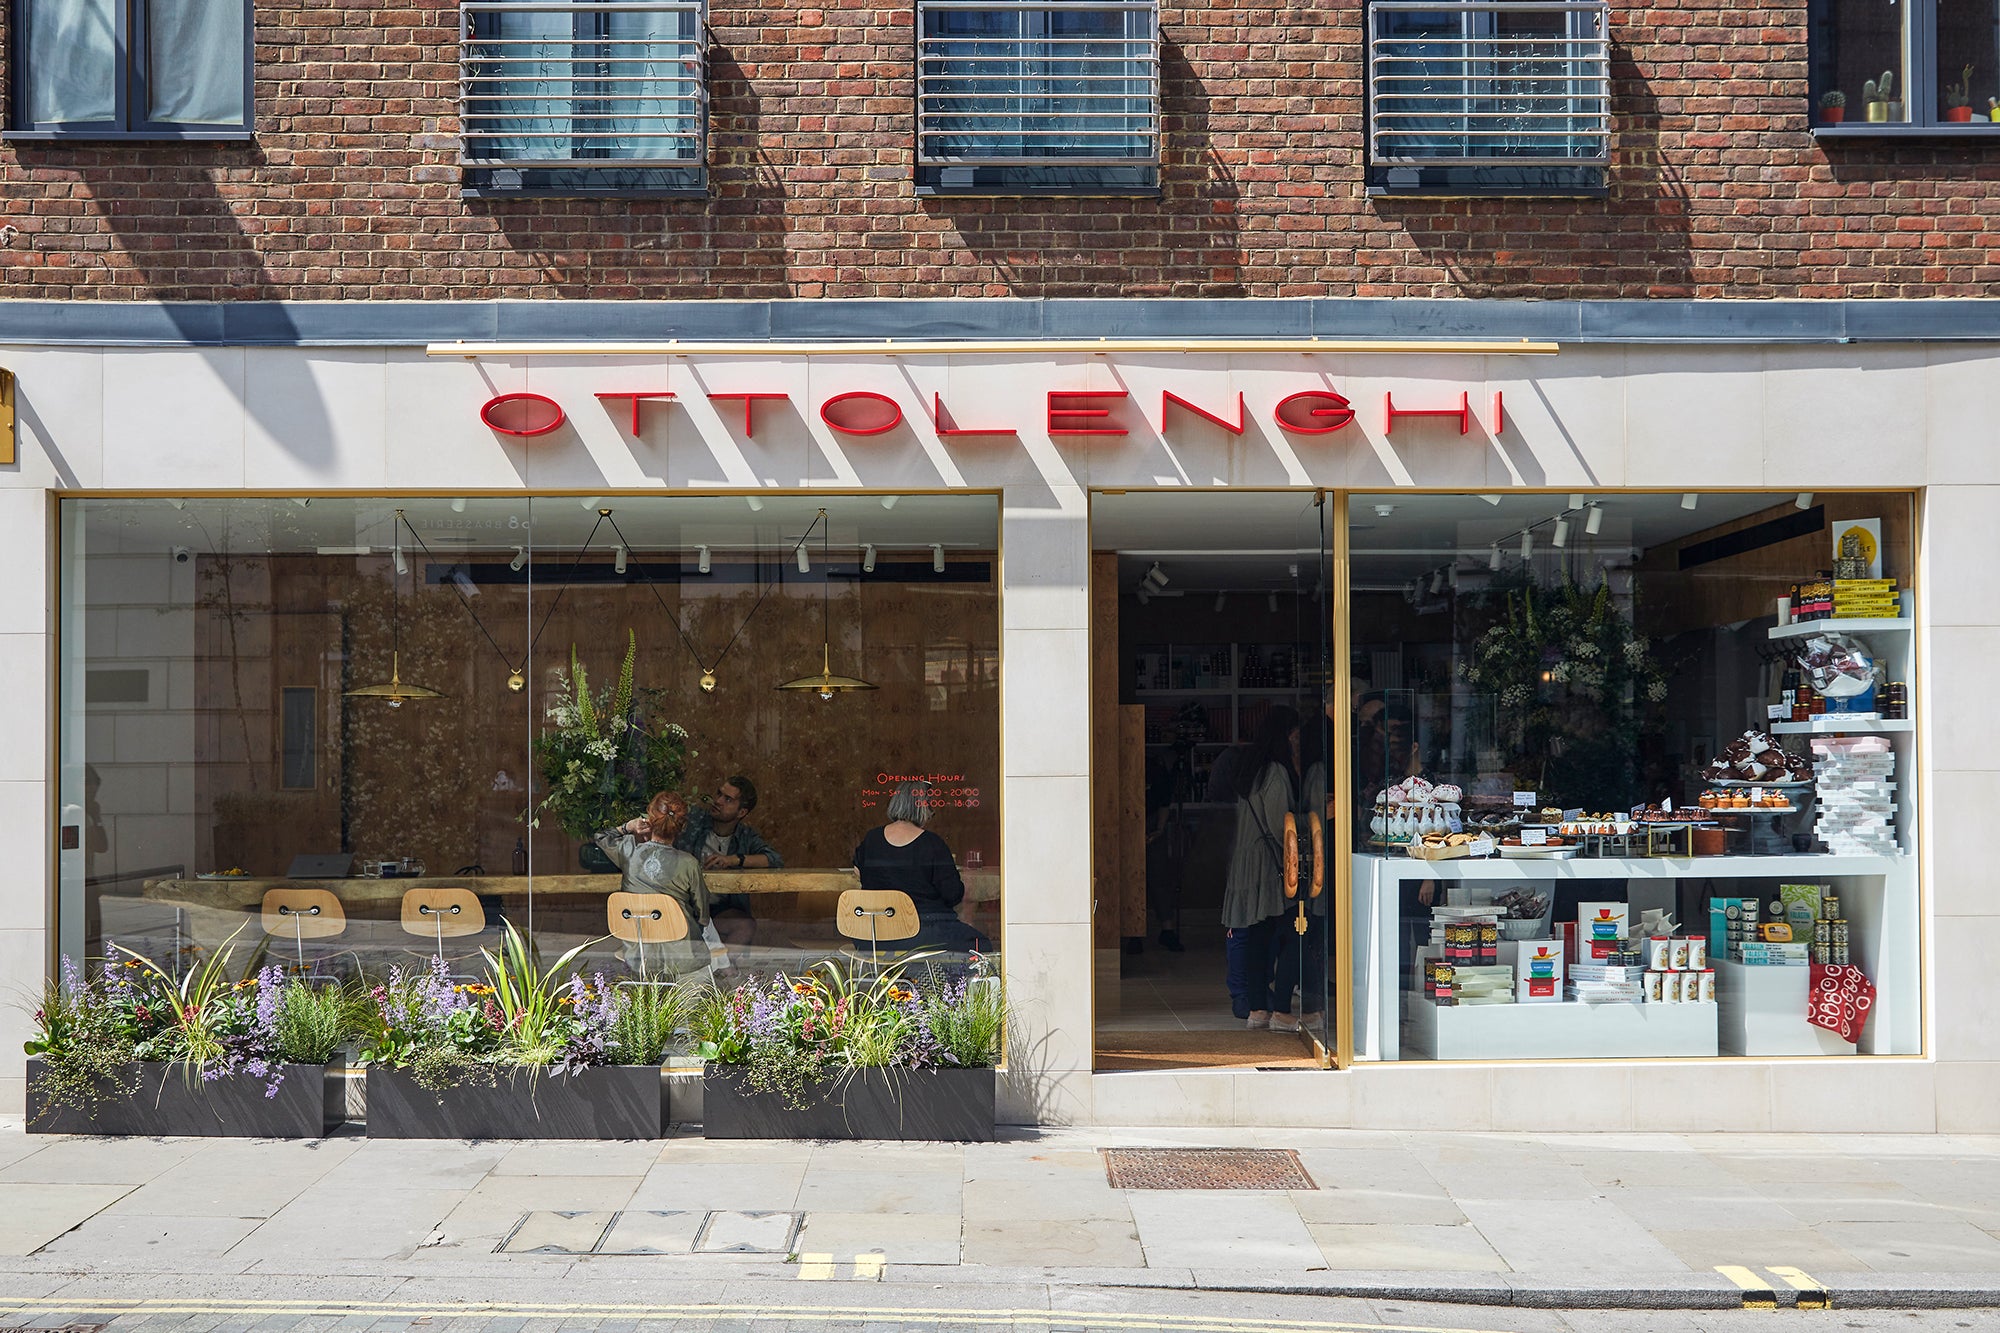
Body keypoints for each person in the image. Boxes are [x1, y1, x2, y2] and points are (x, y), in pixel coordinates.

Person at [1223, 704, 1302, 1030]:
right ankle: (1279, 1009)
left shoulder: (1250, 768)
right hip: (1266, 866)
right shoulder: (1276, 773)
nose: (1298, 740)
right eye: (1294, 734)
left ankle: (1257, 1009)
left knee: (1256, 936)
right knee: (1288, 933)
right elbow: (1279, 824)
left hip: (1245, 862)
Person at [852, 779, 991, 954]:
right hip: (924, 933)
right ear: (922, 808)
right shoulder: (932, 844)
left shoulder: (872, 839)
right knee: (982, 945)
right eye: (931, 808)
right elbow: (952, 895)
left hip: (873, 935)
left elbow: (858, 871)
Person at [594, 792, 711, 977]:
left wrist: (628, 827)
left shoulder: (630, 852)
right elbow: (703, 914)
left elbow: (601, 836)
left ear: (649, 819)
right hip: (681, 955)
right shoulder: (689, 863)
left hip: (638, 952)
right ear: (682, 826)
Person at [1270, 721, 1330, 1033]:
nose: (1294, 739)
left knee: (1302, 939)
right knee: (1303, 938)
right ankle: (1297, 1008)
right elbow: (1314, 814)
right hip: (1311, 870)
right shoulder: (1316, 771)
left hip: (1305, 869)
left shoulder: (1301, 771)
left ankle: (1304, 1008)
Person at [676, 774, 782, 947]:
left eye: (728, 799)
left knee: (746, 926)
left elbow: (774, 859)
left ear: (742, 812)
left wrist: (733, 859)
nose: (718, 801)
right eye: (718, 794)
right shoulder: (694, 821)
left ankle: (721, 969)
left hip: (719, 909)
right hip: (686, 904)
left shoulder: (745, 836)